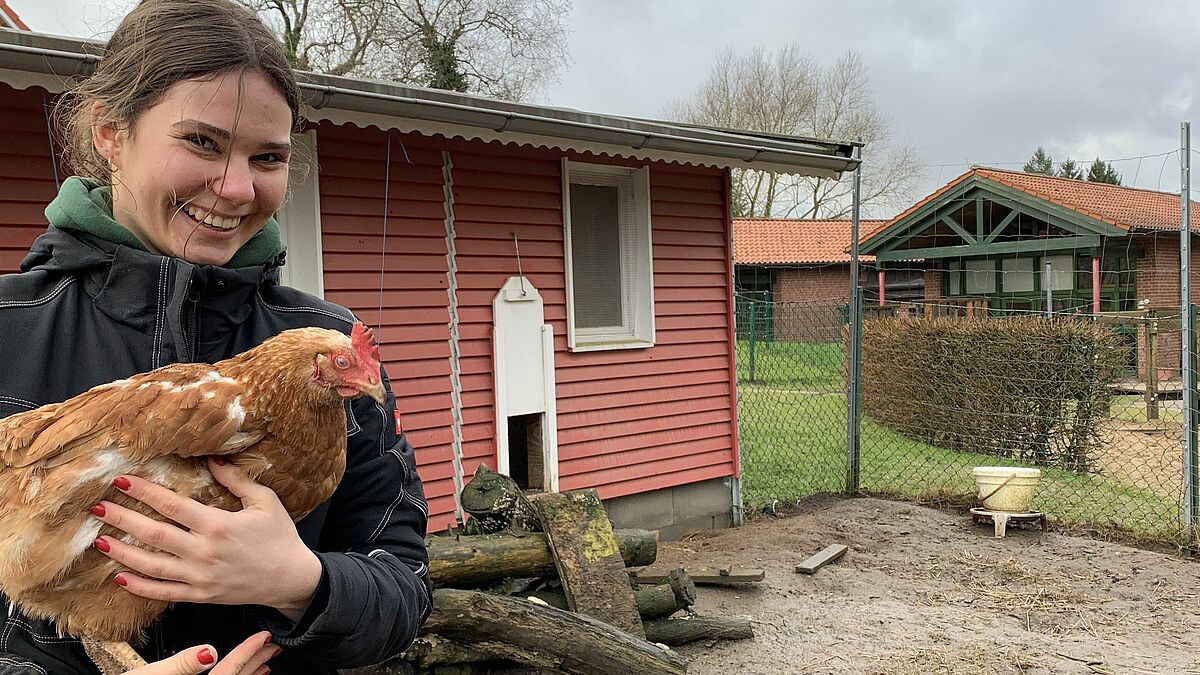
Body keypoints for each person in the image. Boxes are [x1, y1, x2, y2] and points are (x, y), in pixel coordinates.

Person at [0, 0, 432, 673]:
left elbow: (404, 589)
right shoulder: (10, 329)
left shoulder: (327, 346)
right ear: (111, 131)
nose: (234, 188)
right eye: (201, 142)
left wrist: (302, 581)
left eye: (267, 157)